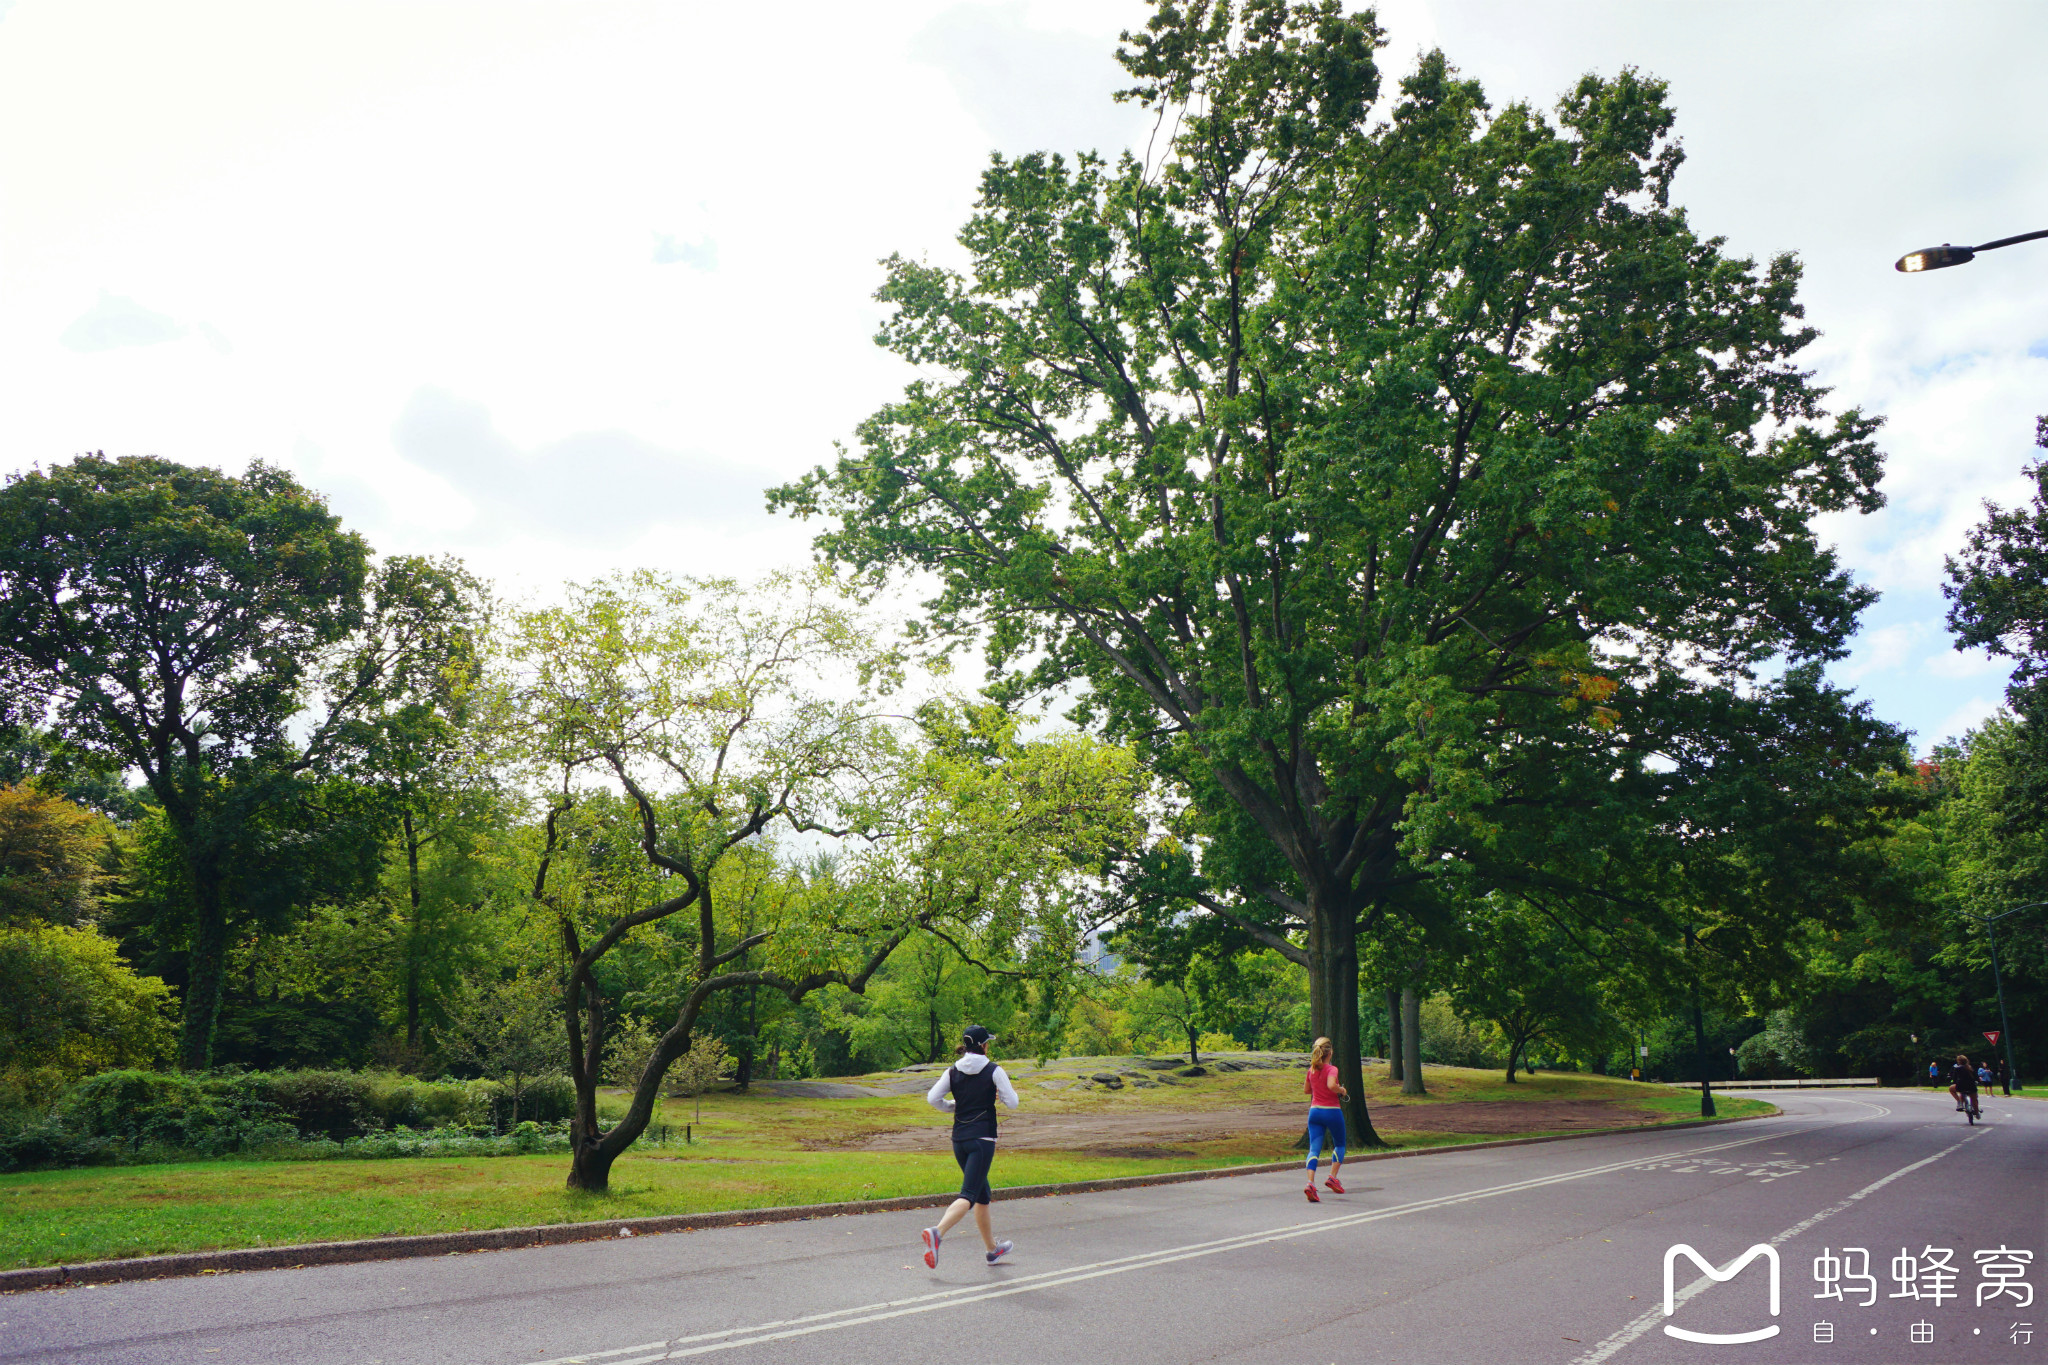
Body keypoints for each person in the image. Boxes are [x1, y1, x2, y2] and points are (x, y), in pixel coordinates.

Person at [919, 1024, 1020, 1269]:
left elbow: (933, 1098)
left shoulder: (952, 1070)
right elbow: (1013, 1103)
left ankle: (992, 1250)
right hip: (982, 1139)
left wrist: (953, 1106)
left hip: (959, 1140)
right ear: (984, 1046)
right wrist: (997, 1095)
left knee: (982, 1195)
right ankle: (938, 1232)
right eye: (988, 1043)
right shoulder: (994, 1070)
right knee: (968, 1195)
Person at [1302, 1035, 1348, 1203]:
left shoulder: (1312, 1070)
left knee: (1314, 1149)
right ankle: (1332, 1177)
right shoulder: (1332, 1069)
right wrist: (1341, 1090)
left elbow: (1307, 1090)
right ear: (1330, 1052)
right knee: (1340, 1144)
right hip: (1331, 1111)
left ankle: (1310, 1184)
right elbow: (1331, 1086)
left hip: (1314, 1112)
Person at [1948, 1053, 1980, 1117]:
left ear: (1959, 1061)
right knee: (1974, 1099)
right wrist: (1978, 1081)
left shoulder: (1957, 1068)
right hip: (1971, 1086)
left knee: (1951, 1089)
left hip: (1961, 1087)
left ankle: (1960, 1102)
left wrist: (1954, 1082)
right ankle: (1977, 1112)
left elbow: (1954, 1078)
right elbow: (1976, 1077)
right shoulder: (1970, 1068)